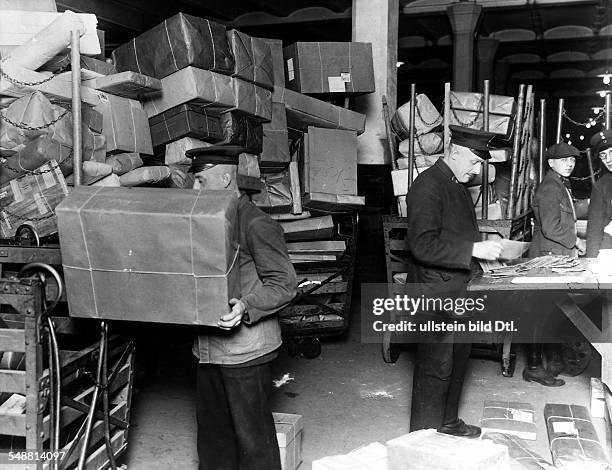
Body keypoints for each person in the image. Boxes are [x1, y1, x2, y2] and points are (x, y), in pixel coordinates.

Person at [185, 145, 297, 470]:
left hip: (245, 352)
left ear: (223, 178)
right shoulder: (207, 222)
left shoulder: (256, 224)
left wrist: (246, 306)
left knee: (254, 444)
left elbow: (284, 283)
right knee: (213, 440)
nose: (194, 189)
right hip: (207, 349)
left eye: (201, 181)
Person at [407, 125, 503, 438]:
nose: (477, 170)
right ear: (455, 151)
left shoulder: (456, 184)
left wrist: (483, 261)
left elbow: (456, 234)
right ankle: (423, 438)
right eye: (475, 162)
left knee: (458, 359)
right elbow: (422, 245)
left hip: (458, 290)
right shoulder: (428, 186)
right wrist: (474, 249)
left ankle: (447, 422)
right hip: (434, 294)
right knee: (436, 368)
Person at [523, 142, 584, 387]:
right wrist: (575, 241)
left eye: (572, 160)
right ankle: (534, 368)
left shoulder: (559, 185)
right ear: (551, 163)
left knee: (552, 312)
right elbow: (550, 228)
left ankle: (554, 362)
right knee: (541, 314)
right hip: (547, 259)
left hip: (556, 257)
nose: (570, 163)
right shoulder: (550, 188)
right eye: (564, 160)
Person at [587, 129, 612, 257]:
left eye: (611, 152)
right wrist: (592, 262)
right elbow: (594, 230)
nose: (608, 159)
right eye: (603, 155)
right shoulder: (601, 186)